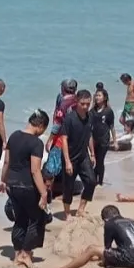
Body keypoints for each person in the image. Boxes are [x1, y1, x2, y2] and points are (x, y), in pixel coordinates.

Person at [0, 109, 50, 268]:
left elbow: (6, 162)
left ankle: (17, 253)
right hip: (27, 186)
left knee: (20, 220)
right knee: (36, 220)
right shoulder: (36, 143)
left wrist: (3, 180)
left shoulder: (14, 136)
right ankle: (26, 254)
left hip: (12, 185)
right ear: (40, 125)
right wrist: (44, 193)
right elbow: (35, 170)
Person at [54, 205, 134, 268]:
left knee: (92, 249)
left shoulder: (109, 223)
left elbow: (107, 248)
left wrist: (101, 259)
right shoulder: (133, 221)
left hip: (133, 260)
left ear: (105, 219)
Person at [59, 89, 97, 219]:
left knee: (92, 181)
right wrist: (67, 161)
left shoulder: (90, 116)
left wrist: (92, 153)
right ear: (76, 102)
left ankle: (81, 209)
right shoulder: (69, 119)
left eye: (88, 104)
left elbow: (90, 135)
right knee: (68, 186)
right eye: (82, 104)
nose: (85, 106)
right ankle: (67, 213)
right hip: (70, 157)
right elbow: (63, 139)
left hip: (83, 156)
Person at [89, 87, 117, 186]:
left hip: (104, 140)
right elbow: (88, 127)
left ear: (104, 98)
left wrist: (115, 141)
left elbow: (112, 126)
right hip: (94, 140)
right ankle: (95, 180)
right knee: (94, 160)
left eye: (99, 95)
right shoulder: (92, 111)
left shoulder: (109, 111)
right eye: (96, 95)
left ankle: (99, 182)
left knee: (100, 160)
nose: (97, 97)